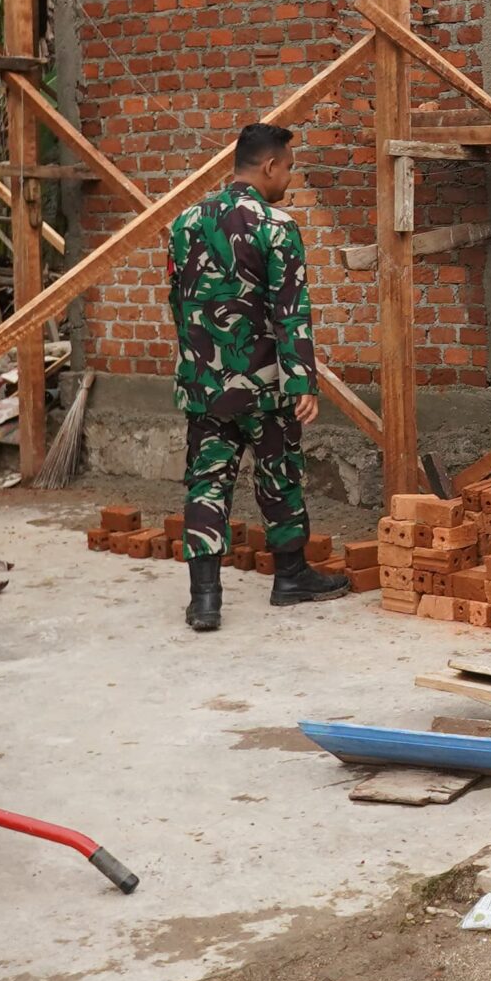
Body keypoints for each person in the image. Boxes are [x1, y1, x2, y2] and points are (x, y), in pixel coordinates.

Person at [166, 122, 349, 631]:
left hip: (206, 388)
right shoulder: (276, 227)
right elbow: (291, 312)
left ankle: (205, 599)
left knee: (206, 485)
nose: (288, 178)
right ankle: (290, 577)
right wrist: (301, 383)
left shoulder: (183, 224)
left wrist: (196, 370)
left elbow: (179, 306)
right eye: (288, 168)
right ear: (269, 166)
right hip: (265, 389)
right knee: (280, 477)